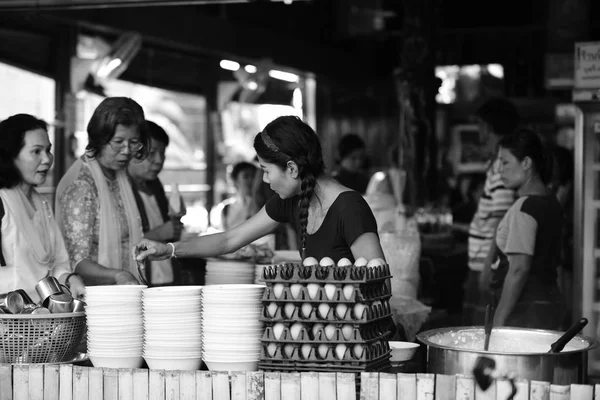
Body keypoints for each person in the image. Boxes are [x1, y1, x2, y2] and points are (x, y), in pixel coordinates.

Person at [134, 115, 385, 264]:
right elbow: (229, 239)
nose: (264, 180)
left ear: (292, 169)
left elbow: (378, 281)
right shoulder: (293, 198)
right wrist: (169, 249)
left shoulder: (350, 207)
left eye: (266, 170)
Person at [56, 97, 150, 286]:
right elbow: (77, 262)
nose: (126, 151)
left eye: (134, 142)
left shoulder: (119, 177)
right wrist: (119, 275)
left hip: (123, 291)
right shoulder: (82, 186)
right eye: (118, 142)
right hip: (92, 299)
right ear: (100, 138)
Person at [0, 114, 85, 301]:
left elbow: (57, 262)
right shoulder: (3, 201)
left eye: (48, 150)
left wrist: (70, 278)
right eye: (36, 151)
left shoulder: (42, 203)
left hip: (39, 319)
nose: (47, 159)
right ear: (11, 156)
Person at [491, 128, 564, 329]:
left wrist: (499, 320)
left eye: (505, 162)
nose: (499, 170)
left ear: (526, 163)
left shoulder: (525, 207)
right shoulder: (551, 201)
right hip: (548, 302)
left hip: (526, 310)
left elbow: (518, 269)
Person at [463, 97, 520, 325]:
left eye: (479, 126)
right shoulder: (499, 165)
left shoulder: (500, 167)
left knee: (481, 329)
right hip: (485, 263)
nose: (479, 133)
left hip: (488, 266)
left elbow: (502, 221)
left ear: (486, 127)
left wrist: (489, 265)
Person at [128, 120, 183, 286]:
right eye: (152, 153)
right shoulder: (121, 190)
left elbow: (169, 231)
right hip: (138, 278)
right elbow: (119, 243)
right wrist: (158, 235)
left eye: (162, 154)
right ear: (131, 152)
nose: (159, 160)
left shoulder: (155, 185)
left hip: (166, 275)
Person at [211, 161, 258, 231]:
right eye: (246, 176)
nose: (251, 180)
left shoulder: (263, 205)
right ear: (235, 180)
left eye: (254, 176)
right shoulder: (225, 209)